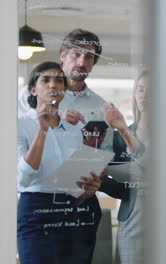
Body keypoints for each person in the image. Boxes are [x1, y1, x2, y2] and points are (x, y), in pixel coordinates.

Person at [17, 62, 107, 264]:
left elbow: (76, 182)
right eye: (45, 80)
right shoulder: (19, 124)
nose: (53, 85)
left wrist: (89, 188)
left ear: (65, 90)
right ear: (33, 89)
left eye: (59, 80)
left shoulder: (77, 129)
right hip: (37, 211)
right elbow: (23, 178)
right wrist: (42, 129)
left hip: (75, 211)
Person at [18, 28, 112, 151]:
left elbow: (106, 151)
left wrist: (94, 156)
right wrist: (57, 124)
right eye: (76, 54)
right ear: (63, 55)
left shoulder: (101, 106)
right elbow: (18, 139)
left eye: (89, 57)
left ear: (93, 63)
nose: (81, 62)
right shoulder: (31, 94)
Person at [101, 71, 148, 264]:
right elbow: (123, 189)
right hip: (132, 223)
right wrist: (100, 181)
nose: (145, 95)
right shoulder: (120, 137)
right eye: (141, 89)